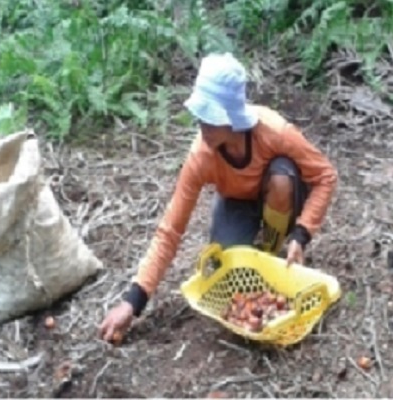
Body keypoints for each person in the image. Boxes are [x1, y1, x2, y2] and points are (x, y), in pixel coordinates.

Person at [98, 52, 338, 344]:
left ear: (232, 117)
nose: (202, 125)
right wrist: (133, 301)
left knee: (281, 177)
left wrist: (302, 233)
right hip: (237, 202)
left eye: (211, 118)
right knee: (227, 269)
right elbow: (171, 229)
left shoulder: (274, 131)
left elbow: (325, 175)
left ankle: (274, 250)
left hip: (279, 195)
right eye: (201, 117)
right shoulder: (202, 156)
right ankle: (256, 257)